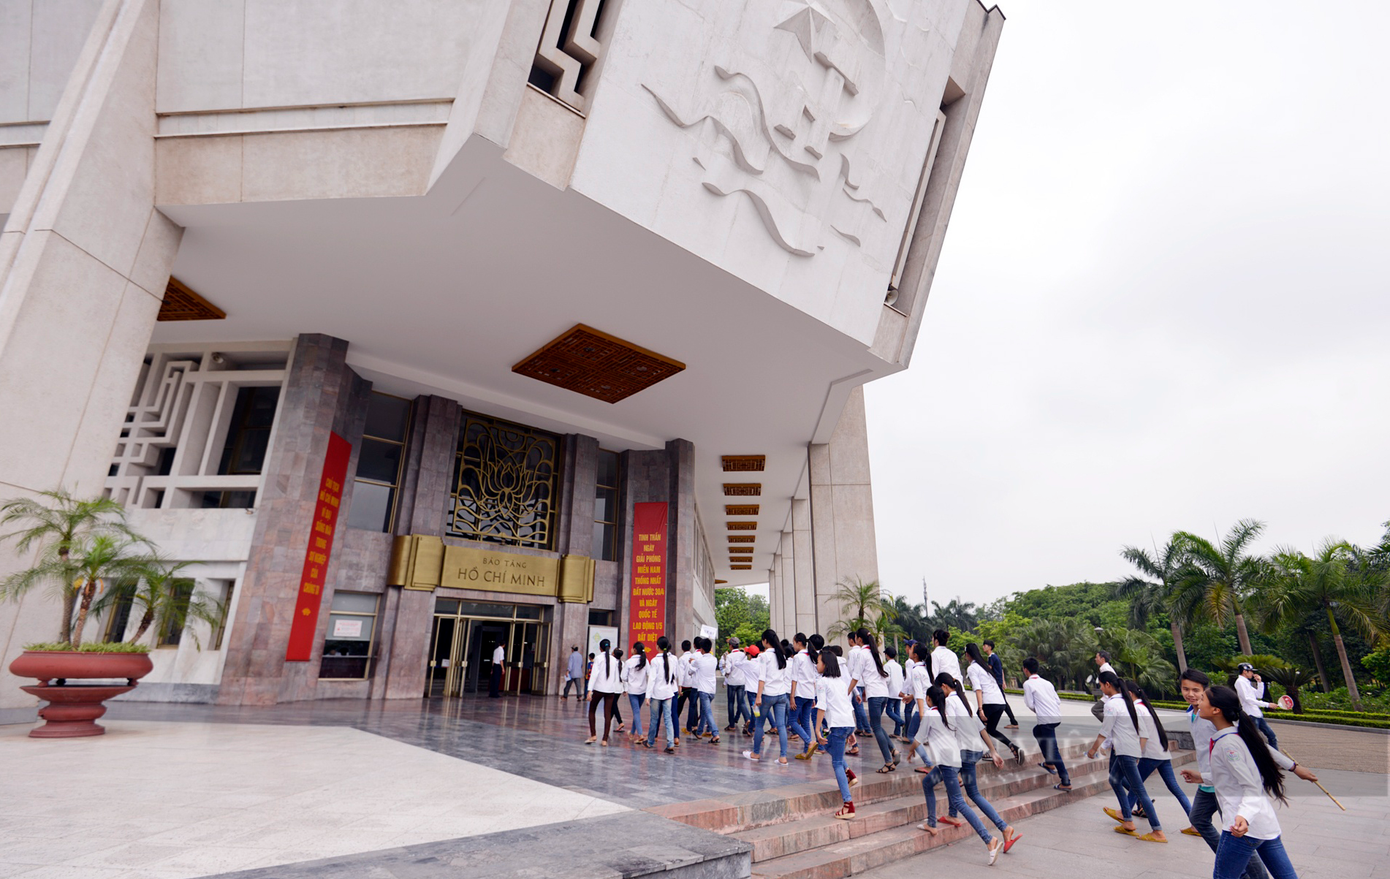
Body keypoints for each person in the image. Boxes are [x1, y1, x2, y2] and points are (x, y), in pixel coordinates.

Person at [1179, 669, 1317, 878]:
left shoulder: (1228, 743)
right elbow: (1237, 775)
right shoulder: (1231, 735)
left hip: (1241, 823)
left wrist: (1243, 815)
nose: (1196, 698)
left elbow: (1251, 784)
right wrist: (1203, 777)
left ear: (1217, 710)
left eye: (1202, 695)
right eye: (1187, 689)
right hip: (1262, 819)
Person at [915, 685, 1004, 865]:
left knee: (958, 801)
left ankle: (989, 840)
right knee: (928, 783)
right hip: (957, 757)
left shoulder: (945, 708)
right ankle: (932, 823)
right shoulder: (961, 705)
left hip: (952, 759)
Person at [934, 672, 1020, 853]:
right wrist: (993, 750)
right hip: (975, 750)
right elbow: (981, 727)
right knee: (974, 794)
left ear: (943, 686)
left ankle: (993, 835)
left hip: (963, 752)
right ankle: (1004, 827)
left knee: (962, 798)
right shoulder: (967, 701)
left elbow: (950, 732)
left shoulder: (950, 702)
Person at [1086, 670, 1166, 842]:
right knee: (1114, 780)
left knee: (1138, 789)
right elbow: (1143, 732)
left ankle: (1157, 830)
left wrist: (1093, 750)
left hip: (1124, 751)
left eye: (1100, 685)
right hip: (1129, 750)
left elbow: (1105, 731)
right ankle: (1128, 821)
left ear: (1107, 685)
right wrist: (1139, 752)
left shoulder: (1112, 705)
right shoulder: (1128, 702)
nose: (1101, 689)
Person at [1124, 681, 1191, 823]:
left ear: (1129, 694)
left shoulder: (1136, 709)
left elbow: (1143, 734)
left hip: (1150, 754)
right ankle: (1196, 822)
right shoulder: (1144, 707)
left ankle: (1125, 816)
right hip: (1162, 753)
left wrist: (1136, 753)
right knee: (1175, 788)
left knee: (1136, 785)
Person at [813, 649, 859, 819]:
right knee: (828, 745)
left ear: (825, 664)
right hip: (847, 723)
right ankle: (849, 773)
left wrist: (817, 729)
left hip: (839, 726)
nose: (816, 665)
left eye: (818, 662)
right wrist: (851, 730)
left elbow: (822, 706)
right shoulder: (840, 681)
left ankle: (848, 805)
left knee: (836, 763)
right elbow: (847, 704)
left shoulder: (822, 682)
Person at [964, 643, 1022, 763]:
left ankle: (990, 751)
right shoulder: (984, 666)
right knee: (990, 729)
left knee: (975, 725)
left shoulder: (972, 668)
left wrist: (980, 709)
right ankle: (1013, 746)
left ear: (968, 654)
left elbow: (978, 689)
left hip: (990, 702)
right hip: (1000, 702)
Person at [1021, 657, 1070, 792]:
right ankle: (1049, 762)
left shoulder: (1028, 684)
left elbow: (1030, 704)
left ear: (1026, 670)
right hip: (1055, 717)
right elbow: (1057, 701)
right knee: (1037, 731)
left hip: (1046, 720)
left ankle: (1065, 780)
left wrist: (1040, 710)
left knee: (1054, 750)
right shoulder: (1047, 683)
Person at [745, 629, 792, 764]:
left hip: (767, 695)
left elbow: (762, 678)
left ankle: (756, 753)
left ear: (765, 641)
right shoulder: (782, 655)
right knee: (781, 725)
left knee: (759, 724)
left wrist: (758, 696)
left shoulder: (764, 657)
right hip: (781, 694)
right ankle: (783, 757)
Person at [855, 628, 899, 773]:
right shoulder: (876, 654)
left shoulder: (863, 653)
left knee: (876, 727)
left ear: (859, 639)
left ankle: (888, 761)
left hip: (874, 694)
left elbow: (855, 676)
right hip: (883, 693)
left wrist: (848, 691)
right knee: (877, 726)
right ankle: (893, 750)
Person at [1235, 663, 1282, 749]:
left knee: (1272, 737)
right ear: (1245, 671)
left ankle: (1275, 759)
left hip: (1257, 714)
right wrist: (1267, 704)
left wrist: (1259, 683)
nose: (1252, 673)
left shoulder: (1246, 682)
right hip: (1250, 714)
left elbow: (1259, 695)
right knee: (1254, 740)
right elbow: (1247, 699)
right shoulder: (1240, 682)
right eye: (1251, 671)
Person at [645, 636, 679, 752]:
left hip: (656, 694)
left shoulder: (655, 661)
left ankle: (650, 741)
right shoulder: (672, 659)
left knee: (654, 718)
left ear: (657, 646)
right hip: (668, 692)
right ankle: (670, 743)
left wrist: (647, 696)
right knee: (668, 719)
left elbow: (652, 679)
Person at [586, 639, 622, 746]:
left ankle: (593, 735)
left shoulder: (598, 659)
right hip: (610, 690)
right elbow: (615, 676)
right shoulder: (614, 660)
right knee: (607, 714)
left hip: (598, 689)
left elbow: (594, 675)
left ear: (600, 648)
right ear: (610, 648)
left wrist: (589, 690)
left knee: (592, 710)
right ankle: (604, 739)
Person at [790, 633, 820, 760]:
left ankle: (809, 742)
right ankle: (806, 752)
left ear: (798, 642)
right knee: (805, 722)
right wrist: (813, 696)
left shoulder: (798, 658)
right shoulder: (811, 657)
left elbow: (794, 678)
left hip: (800, 693)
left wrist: (792, 696)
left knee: (791, 721)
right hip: (809, 693)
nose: (793, 645)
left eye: (794, 642)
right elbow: (814, 678)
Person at [981, 640, 1019, 728]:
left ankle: (1014, 722)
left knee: (1003, 703)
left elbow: (989, 670)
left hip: (996, 683)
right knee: (1003, 702)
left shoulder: (991, 657)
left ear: (990, 647)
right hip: (998, 682)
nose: (983, 647)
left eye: (985, 645)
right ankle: (1012, 721)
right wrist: (1003, 681)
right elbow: (1001, 670)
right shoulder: (995, 657)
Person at [692, 637, 720, 744]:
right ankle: (699, 732)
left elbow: (693, 664)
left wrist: (692, 660)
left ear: (702, 649)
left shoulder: (700, 661)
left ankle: (715, 733)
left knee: (707, 712)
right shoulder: (714, 659)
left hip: (703, 691)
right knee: (704, 711)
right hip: (712, 690)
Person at [846, 631, 872, 735]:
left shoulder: (852, 652)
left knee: (859, 706)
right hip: (862, 681)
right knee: (857, 706)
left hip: (855, 682)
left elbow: (850, 669)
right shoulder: (864, 651)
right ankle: (860, 727)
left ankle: (867, 729)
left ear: (852, 640)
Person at [625, 642, 649, 745]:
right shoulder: (645, 661)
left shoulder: (629, 662)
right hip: (642, 690)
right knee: (637, 711)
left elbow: (623, 677)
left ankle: (640, 735)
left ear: (634, 650)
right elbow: (649, 674)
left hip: (633, 690)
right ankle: (631, 733)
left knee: (636, 712)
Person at [723, 638, 747, 731]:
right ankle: (747, 719)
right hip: (742, 681)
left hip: (732, 682)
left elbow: (728, 670)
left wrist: (725, 672)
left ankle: (731, 724)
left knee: (731, 703)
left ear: (731, 646)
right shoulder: (743, 655)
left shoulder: (730, 656)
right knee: (741, 702)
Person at [883, 645, 906, 739]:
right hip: (899, 691)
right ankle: (897, 732)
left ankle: (901, 722)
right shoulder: (898, 666)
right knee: (896, 711)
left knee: (888, 710)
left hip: (891, 691)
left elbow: (887, 679)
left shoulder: (887, 666)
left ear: (887, 655)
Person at [1090, 651, 1116, 720]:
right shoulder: (1105, 668)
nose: (1095, 659)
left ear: (1102, 659)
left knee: (1095, 710)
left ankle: (1110, 722)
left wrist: (1107, 695)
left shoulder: (1105, 669)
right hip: (1109, 696)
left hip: (1109, 696)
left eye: (1097, 657)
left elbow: (1109, 683)